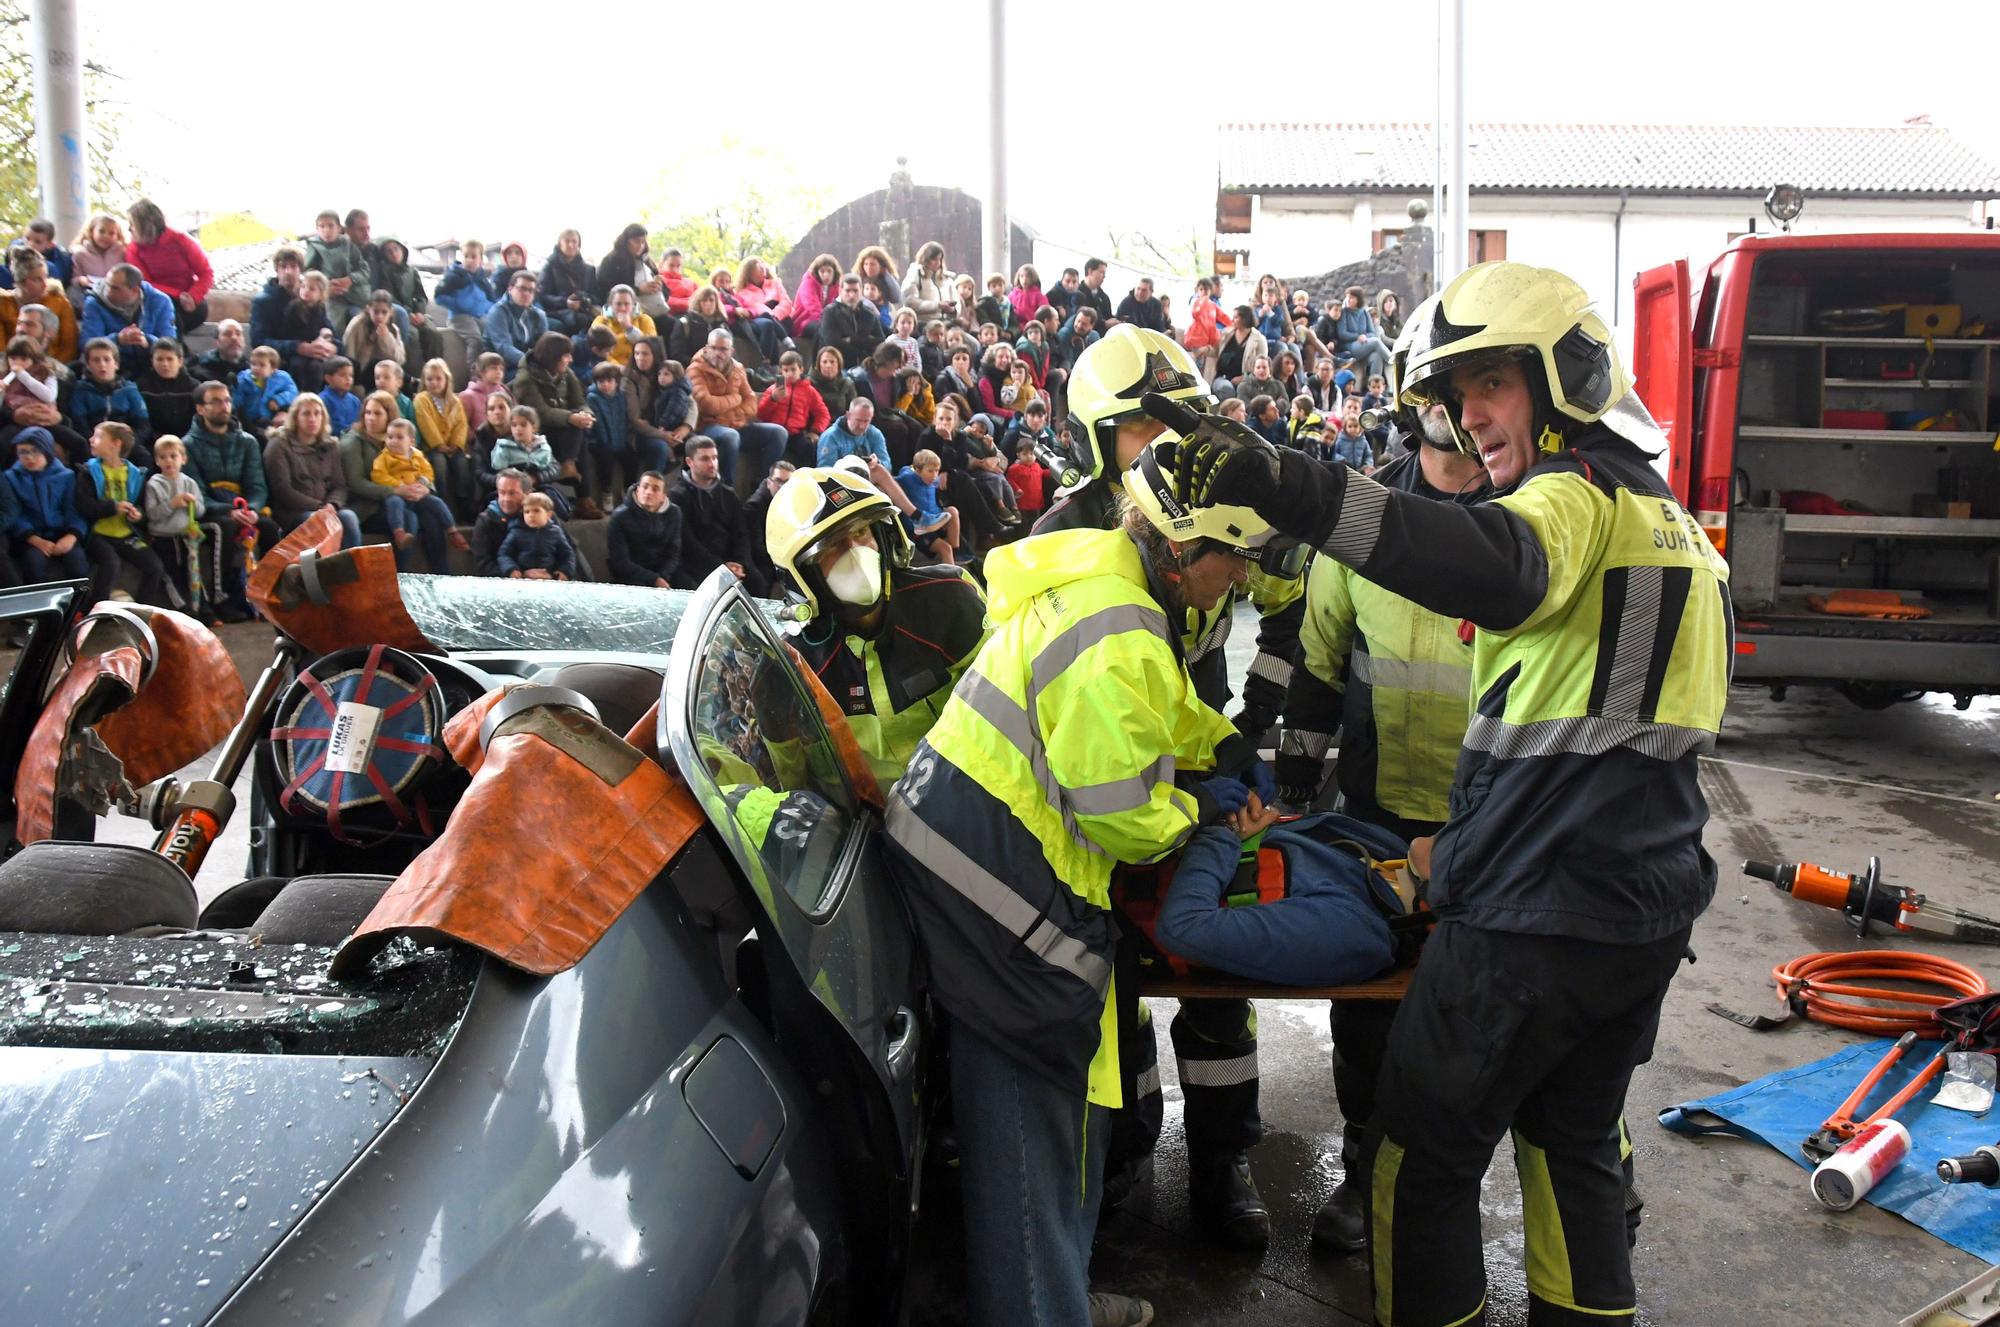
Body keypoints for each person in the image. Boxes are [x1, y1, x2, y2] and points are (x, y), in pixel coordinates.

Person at [1150, 259, 1731, 1327]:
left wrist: (1291, 484)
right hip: (1639, 915)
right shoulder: (1674, 528)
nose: (1467, 422)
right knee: (1570, 1163)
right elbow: (1613, 754)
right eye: (1452, 401)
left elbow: (1500, 563)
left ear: (1564, 377)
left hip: (1523, 926)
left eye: (1489, 388)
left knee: (1413, 1163)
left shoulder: (1572, 498)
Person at [879, 435, 1291, 1327]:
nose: (1241, 581)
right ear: (1187, 550)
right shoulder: (1122, 625)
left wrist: (1213, 743)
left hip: (971, 855)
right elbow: (1122, 816)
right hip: (994, 879)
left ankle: (1051, 1284)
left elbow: (1145, 704)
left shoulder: (1106, 580)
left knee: (1072, 1095)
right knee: (1037, 1102)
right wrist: (1203, 813)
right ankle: (1036, 1300)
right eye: (1237, 560)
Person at [1033, 323, 1310, 1249]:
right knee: (1108, 971)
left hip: (1198, 747)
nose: (1165, 448)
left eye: (1177, 426)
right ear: (1093, 437)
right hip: (1094, 779)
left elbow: (1289, 603)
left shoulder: (1218, 501)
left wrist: (1249, 730)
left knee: (1219, 965)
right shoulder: (1063, 538)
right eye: (1140, 431)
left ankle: (1224, 1157)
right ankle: (1121, 1153)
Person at [765, 464, 989, 787]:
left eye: (860, 533)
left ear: (884, 537)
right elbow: (795, 786)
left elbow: (1006, 709)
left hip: (972, 796)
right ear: (801, 576)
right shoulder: (794, 667)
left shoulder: (950, 598)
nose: (854, 554)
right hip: (873, 830)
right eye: (831, 547)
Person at [185, 379, 281, 614]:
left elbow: (257, 484)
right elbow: (197, 491)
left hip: (244, 507)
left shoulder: (247, 441)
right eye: (215, 401)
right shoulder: (187, 445)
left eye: (227, 400)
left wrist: (253, 510)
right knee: (225, 528)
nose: (224, 406)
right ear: (200, 408)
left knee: (269, 527)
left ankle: (270, 594)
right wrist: (227, 509)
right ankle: (224, 598)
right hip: (212, 512)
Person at [342, 390, 453, 569]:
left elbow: (422, 467)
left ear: (389, 416)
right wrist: (394, 490)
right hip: (370, 506)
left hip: (405, 499)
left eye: (377, 413)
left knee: (432, 517)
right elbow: (355, 483)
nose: (371, 418)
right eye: (368, 413)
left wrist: (425, 488)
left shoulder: (400, 438)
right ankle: (398, 579)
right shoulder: (352, 441)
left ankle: (441, 575)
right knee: (409, 520)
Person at [76, 421, 167, 605]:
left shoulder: (135, 474)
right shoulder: (88, 472)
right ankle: (95, 612)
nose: (91, 440)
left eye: (98, 436)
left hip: (126, 534)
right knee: (111, 563)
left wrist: (138, 515)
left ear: (116, 444)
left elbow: (142, 508)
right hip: (98, 535)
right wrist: (112, 508)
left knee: (155, 566)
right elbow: (84, 506)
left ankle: (143, 612)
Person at [688, 328, 786, 498]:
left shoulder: (738, 368)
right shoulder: (694, 370)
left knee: (779, 432)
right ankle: (726, 492)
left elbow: (751, 405)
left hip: (735, 426)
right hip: (707, 427)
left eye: (723, 349)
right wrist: (735, 399)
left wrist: (728, 412)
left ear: (731, 351)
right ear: (706, 348)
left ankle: (763, 486)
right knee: (731, 436)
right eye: (714, 348)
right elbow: (706, 404)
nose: (718, 353)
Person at [512, 331, 597, 514]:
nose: (570, 360)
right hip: (538, 431)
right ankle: (584, 497)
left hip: (566, 430)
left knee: (578, 430)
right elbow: (540, 413)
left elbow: (580, 401)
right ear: (553, 358)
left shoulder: (566, 373)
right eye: (566, 356)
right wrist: (571, 418)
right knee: (576, 429)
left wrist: (586, 415)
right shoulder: (525, 379)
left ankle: (570, 467)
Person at [673, 434, 766, 595]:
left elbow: (741, 534)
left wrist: (739, 562)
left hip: (730, 561)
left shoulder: (728, 494)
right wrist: (722, 567)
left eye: (714, 458)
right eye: (705, 459)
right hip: (699, 563)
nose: (712, 464)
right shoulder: (678, 496)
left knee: (757, 581)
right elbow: (688, 543)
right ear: (690, 462)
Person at [5, 427, 89, 588]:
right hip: (31, 536)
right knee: (34, 566)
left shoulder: (66, 476)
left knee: (78, 566)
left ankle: (77, 610)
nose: (29, 457)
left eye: (35, 451)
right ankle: (39, 611)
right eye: (23, 452)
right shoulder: (11, 477)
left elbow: (75, 509)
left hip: (62, 533)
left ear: (47, 451)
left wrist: (71, 536)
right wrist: (34, 539)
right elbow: (15, 513)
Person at [372, 418, 460, 570]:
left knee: (436, 503)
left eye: (399, 437)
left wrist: (422, 484)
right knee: (395, 503)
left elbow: (428, 472)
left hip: (417, 494)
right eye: (390, 437)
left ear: (411, 441)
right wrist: (398, 486)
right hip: (398, 495)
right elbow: (378, 475)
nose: (393, 441)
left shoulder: (418, 455)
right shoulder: (384, 457)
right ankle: (399, 533)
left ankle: (452, 530)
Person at [124, 199, 213, 337]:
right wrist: (178, 295)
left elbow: (205, 272)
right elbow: (145, 284)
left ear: (146, 226)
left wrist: (193, 296)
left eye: (132, 225)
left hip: (187, 299)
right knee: (165, 309)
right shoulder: (133, 250)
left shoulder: (181, 240)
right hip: (155, 299)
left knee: (192, 312)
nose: (129, 229)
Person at [143, 435, 208, 616]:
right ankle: (183, 610)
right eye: (163, 457)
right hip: (163, 538)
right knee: (171, 575)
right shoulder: (154, 484)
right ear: (157, 461)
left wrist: (193, 504)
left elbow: (201, 511)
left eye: (173, 456)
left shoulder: (189, 483)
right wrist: (171, 504)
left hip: (186, 537)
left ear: (183, 459)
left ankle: (202, 608)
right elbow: (152, 514)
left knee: (193, 573)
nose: (168, 461)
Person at [588, 358, 666, 507]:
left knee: (632, 460)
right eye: (601, 381)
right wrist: (609, 444)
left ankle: (629, 491)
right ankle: (607, 492)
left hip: (621, 440)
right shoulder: (593, 398)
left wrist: (623, 442)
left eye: (609, 381)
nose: (605, 385)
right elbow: (599, 427)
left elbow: (625, 421)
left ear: (616, 382)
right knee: (605, 460)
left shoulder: (620, 397)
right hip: (601, 442)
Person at [81, 264, 176, 379]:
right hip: (112, 368)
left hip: (151, 364)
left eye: (115, 288)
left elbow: (171, 342)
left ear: (135, 290)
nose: (108, 292)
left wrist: (148, 342)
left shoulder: (161, 301)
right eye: (108, 285)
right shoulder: (94, 303)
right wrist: (117, 340)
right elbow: (87, 344)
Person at [606, 468, 689, 589]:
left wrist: (663, 576)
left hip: (662, 572)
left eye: (655, 489)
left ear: (663, 496)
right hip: (631, 574)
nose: (648, 492)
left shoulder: (674, 513)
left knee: (688, 585)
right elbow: (620, 562)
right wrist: (654, 579)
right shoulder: (620, 516)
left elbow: (673, 552)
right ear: (638, 490)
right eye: (645, 487)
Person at [69, 338, 151, 459]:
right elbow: (80, 426)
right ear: (88, 365)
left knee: (143, 457)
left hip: (123, 444)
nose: (102, 364)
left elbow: (143, 426)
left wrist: (126, 444)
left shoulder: (129, 390)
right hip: (93, 443)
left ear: (116, 364)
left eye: (107, 359)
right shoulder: (80, 391)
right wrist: (100, 444)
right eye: (96, 360)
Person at [414, 358, 475, 519]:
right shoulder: (422, 399)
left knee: (462, 463)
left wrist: (456, 444)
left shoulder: (455, 400)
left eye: (438, 379)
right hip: (431, 447)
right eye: (429, 379)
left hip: (452, 447)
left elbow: (461, 424)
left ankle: (463, 501)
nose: (434, 383)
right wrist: (438, 444)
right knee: (439, 464)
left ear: (447, 379)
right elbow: (425, 422)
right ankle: (441, 501)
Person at [0, 251, 79, 365]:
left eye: (45, 277)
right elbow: (1, 351)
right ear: (21, 282)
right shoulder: (3, 304)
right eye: (37, 279)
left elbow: (69, 345)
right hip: (13, 366)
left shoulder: (58, 301)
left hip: (54, 366)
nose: (45, 283)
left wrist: (50, 368)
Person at [757, 349, 830, 466]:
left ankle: (807, 480)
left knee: (809, 448)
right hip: (776, 432)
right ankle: (765, 479)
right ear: (781, 371)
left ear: (801, 369)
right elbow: (761, 414)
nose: (790, 373)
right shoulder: (773, 389)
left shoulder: (809, 391)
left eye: (793, 369)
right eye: (786, 370)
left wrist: (815, 431)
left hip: (796, 434)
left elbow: (823, 414)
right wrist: (773, 399)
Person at [304, 209, 372, 330]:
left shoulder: (348, 244)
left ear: (339, 228)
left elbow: (364, 270)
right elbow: (308, 272)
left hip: (356, 294)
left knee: (364, 321)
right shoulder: (315, 246)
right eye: (322, 226)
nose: (326, 230)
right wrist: (325, 286)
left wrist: (351, 279)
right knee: (336, 326)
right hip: (331, 297)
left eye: (330, 226)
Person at [894, 448, 958, 564]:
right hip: (918, 529)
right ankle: (952, 579)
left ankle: (956, 550)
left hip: (934, 522)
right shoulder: (907, 478)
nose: (934, 475)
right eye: (930, 471)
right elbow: (891, 482)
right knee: (945, 549)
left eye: (937, 471)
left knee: (953, 511)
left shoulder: (933, 480)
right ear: (917, 470)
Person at [498, 491, 576, 580]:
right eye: (527, 512)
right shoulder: (516, 532)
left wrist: (564, 571)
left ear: (548, 514)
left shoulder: (556, 532)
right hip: (522, 577)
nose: (531, 515)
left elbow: (567, 555)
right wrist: (511, 569)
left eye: (536, 511)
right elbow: (504, 554)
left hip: (549, 576)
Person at [484, 271, 550, 372]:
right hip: (501, 368)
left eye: (531, 290)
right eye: (522, 288)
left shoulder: (538, 314)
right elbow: (504, 348)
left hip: (528, 364)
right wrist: (532, 363)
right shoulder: (498, 312)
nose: (527, 293)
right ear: (510, 289)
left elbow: (545, 346)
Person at [492, 403, 563, 493]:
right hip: (512, 489)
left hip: (540, 487)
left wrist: (536, 478)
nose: (518, 429)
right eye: (514, 425)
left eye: (523, 425)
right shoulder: (503, 447)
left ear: (533, 427)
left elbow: (553, 470)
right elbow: (499, 473)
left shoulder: (543, 447)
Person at [732, 257, 792, 363]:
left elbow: (786, 302)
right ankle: (772, 365)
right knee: (769, 326)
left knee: (774, 323)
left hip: (782, 319)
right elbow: (754, 309)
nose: (762, 273)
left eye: (763, 268)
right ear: (749, 273)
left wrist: (775, 315)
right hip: (763, 321)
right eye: (758, 270)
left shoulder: (775, 283)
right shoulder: (742, 293)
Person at [538, 229, 598, 335]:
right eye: (567, 241)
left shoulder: (588, 270)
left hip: (584, 310)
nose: (571, 245)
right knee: (579, 321)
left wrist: (584, 299)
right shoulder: (550, 267)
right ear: (560, 244)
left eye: (574, 241)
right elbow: (542, 296)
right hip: (558, 311)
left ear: (579, 244)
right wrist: (565, 302)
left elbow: (596, 295)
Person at [817, 273, 881, 372]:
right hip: (837, 366)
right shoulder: (830, 312)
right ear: (840, 291)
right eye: (847, 291)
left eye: (855, 291)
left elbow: (880, 339)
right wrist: (862, 351)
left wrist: (851, 340)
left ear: (861, 291)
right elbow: (832, 342)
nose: (851, 295)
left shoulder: (869, 313)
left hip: (864, 366)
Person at [137, 338, 198, 441]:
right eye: (159, 359)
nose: (165, 364)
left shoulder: (194, 387)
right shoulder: (141, 386)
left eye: (170, 359)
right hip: (152, 441)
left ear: (180, 361)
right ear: (152, 361)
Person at [343, 290, 407, 385]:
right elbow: (349, 354)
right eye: (376, 312)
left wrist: (386, 338)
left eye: (384, 312)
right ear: (369, 309)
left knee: (405, 379)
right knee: (375, 363)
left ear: (391, 312)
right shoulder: (357, 325)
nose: (379, 316)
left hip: (385, 374)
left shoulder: (393, 329)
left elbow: (399, 360)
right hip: (361, 374)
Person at [1329, 285, 1389, 382]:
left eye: (1352, 298)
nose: (1348, 300)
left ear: (1358, 299)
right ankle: (1393, 361)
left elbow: (1372, 332)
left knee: (1376, 356)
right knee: (1375, 342)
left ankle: (1373, 386)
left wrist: (1365, 336)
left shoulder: (1364, 312)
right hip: (1349, 347)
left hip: (1364, 345)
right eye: (1347, 297)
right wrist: (1357, 337)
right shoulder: (1344, 312)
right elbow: (1342, 333)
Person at [435, 239, 499, 322]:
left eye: (473, 257)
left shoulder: (483, 281)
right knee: (474, 334)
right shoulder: (454, 276)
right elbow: (439, 296)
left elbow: (492, 302)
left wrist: (482, 307)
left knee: (489, 331)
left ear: (481, 260)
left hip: (480, 317)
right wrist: (458, 303)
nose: (469, 260)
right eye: (466, 256)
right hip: (459, 318)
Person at [669, 285, 730, 366]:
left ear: (716, 303)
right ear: (698, 303)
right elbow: (677, 354)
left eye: (711, 300)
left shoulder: (722, 325)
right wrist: (699, 364)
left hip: (720, 369)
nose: (708, 304)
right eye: (704, 301)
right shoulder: (685, 324)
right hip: (694, 369)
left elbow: (730, 352)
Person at [69, 214, 125, 297]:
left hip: (116, 295)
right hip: (91, 294)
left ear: (118, 236)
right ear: (92, 232)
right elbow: (74, 278)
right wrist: (81, 280)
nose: (106, 236)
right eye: (101, 231)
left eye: (112, 233)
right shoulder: (80, 254)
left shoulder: (121, 252)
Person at [791, 254, 842, 340]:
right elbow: (812, 307)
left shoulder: (836, 285)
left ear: (834, 272)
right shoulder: (808, 283)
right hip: (805, 321)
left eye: (829, 271)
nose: (826, 275)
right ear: (817, 272)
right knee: (823, 330)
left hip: (826, 320)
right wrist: (828, 321)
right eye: (822, 271)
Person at [193, 317, 251, 387]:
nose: (234, 338)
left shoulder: (252, 368)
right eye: (227, 334)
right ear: (216, 342)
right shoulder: (201, 371)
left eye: (238, 333)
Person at [311, 354, 359, 435]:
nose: (348, 379)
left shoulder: (355, 401)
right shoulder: (322, 400)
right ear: (328, 378)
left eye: (351, 375)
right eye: (342, 375)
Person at [1006, 435, 1048, 524]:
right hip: (1022, 504)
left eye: (1032, 453)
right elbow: (1010, 481)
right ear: (1018, 455)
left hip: (1036, 503)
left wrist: (1053, 471)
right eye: (1025, 454)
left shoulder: (1037, 466)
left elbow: (1043, 473)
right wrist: (1017, 489)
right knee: (1024, 526)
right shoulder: (1014, 468)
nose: (1029, 456)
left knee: (1036, 524)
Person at [810, 345, 855, 419]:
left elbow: (853, 412)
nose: (828, 365)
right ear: (819, 365)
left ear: (839, 365)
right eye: (824, 362)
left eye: (832, 362)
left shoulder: (847, 383)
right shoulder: (809, 384)